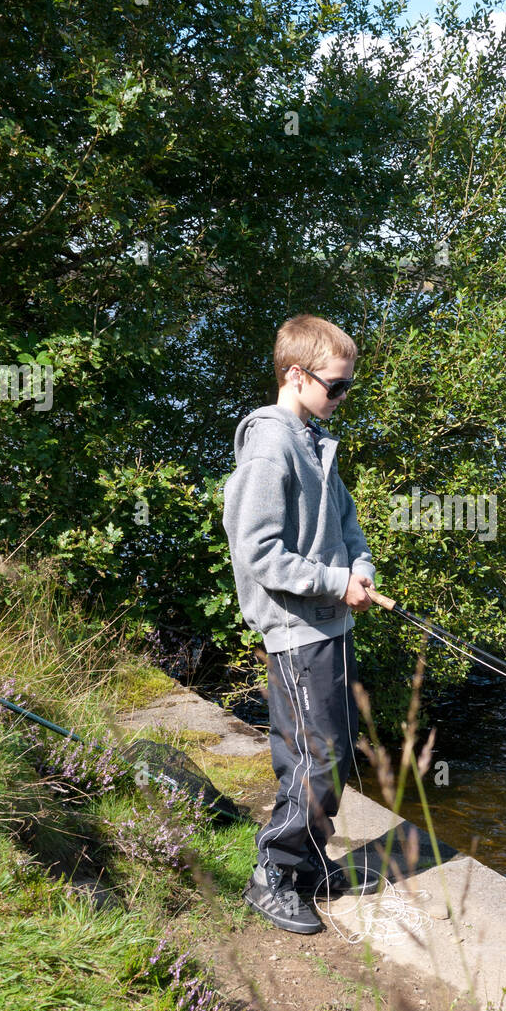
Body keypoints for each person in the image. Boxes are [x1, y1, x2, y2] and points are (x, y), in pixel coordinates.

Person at [222, 313, 381, 934]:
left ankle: (311, 859)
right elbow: (256, 550)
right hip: (295, 630)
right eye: (334, 386)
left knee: (336, 753)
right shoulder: (270, 445)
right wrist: (331, 582)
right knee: (312, 757)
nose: (341, 397)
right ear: (296, 375)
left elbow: (345, 523)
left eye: (346, 387)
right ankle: (274, 875)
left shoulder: (315, 440)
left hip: (332, 624)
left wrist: (358, 568)